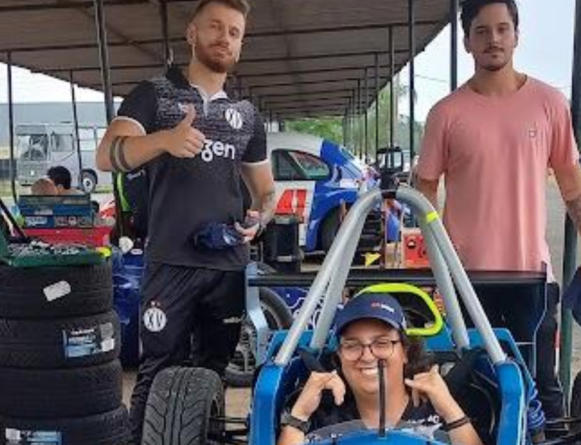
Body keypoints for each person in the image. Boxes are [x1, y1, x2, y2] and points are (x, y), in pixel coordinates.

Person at [94, 0, 276, 442]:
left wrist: (260, 218)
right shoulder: (156, 94)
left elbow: (267, 190)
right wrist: (165, 140)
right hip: (170, 261)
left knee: (212, 371)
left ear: (241, 45)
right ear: (192, 34)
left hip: (228, 265)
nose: (225, 37)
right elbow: (106, 155)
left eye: (234, 32)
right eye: (215, 27)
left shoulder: (247, 116)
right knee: (159, 373)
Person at [414, 0, 581, 420]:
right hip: (466, 280)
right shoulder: (446, 114)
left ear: (517, 35)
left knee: (541, 384)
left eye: (502, 29)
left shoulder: (549, 103)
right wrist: (438, 257)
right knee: (473, 387)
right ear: (466, 41)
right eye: (482, 31)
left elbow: (571, 178)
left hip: (532, 276)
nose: (493, 39)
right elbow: (423, 187)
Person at [278, 293, 483, 445]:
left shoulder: (439, 409)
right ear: (340, 356)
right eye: (352, 345)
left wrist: (451, 410)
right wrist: (299, 416)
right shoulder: (322, 417)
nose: (367, 356)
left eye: (382, 343)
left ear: (405, 351)